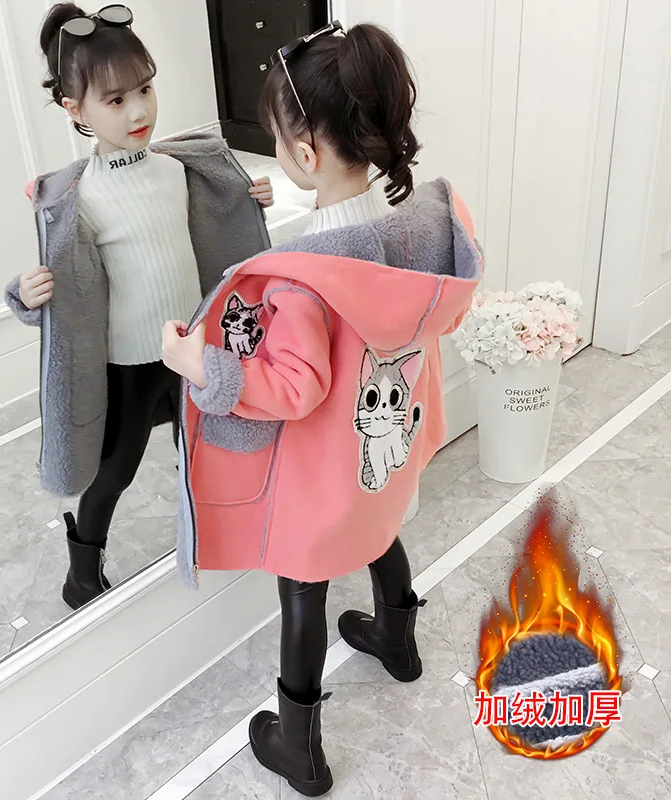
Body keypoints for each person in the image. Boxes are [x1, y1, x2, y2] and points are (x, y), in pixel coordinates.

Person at [162, 20, 483, 797]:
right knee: (380, 530)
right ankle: (397, 642)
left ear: (305, 154)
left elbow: (292, 387)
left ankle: (298, 745)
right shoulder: (424, 226)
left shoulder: (302, 277)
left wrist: (199, 363)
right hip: (383, 459)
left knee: (302, 590)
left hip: (320, 477)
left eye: (277, 140)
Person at [4, 3, 273, 610]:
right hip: (129, 361)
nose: (139, 111)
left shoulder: (179, 170)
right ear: (75, 110)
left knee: (201, 447)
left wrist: (248, 198)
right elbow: (63, 286)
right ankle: (83, 569)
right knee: (116, 469)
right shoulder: (78, 197)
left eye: (145, 89)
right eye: (116, 100)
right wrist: (23, 294)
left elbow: (219, 231)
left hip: (193, 349)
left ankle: (216, 536)